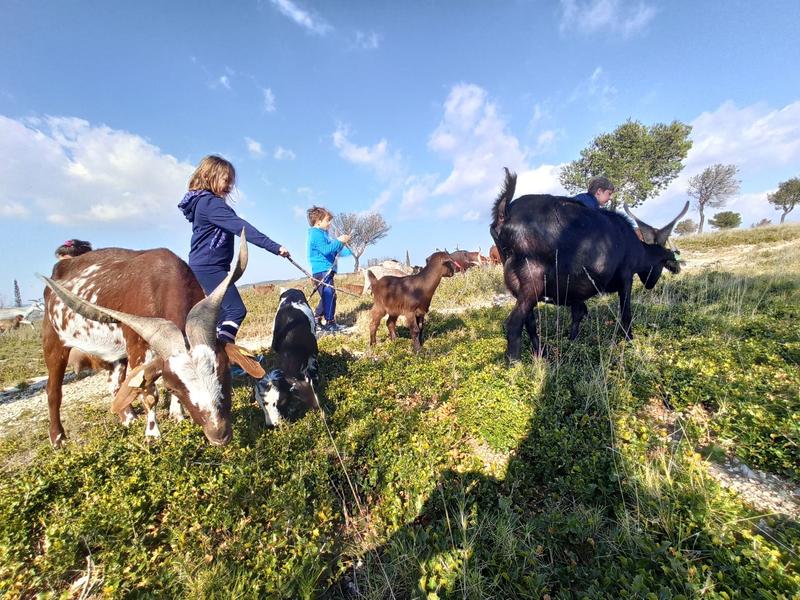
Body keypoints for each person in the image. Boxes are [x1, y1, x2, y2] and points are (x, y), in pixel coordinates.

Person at [178, 155, 289, 344]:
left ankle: (214, 352)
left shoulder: (203, 203)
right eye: (226, 180)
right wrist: (275, 247)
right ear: (208, 176)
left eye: (231, 181)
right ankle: (224, 353)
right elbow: (242, 228)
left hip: (205, 266)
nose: (230, 185)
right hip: (209, 267)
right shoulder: (210, 204)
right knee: (236, 310)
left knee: (221, 315)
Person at [306, 206, 351, 335]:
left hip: (326, 271)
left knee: (327, 295)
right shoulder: (315, 234)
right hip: (321, 271)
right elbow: (326, 250)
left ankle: (317, 318)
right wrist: (339, 241)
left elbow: (335, 249)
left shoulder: (324, 234)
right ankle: (330, 322)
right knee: (330, 295)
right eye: (327, 220)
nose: (330, 223)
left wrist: (346, 248)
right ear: (318, 222)